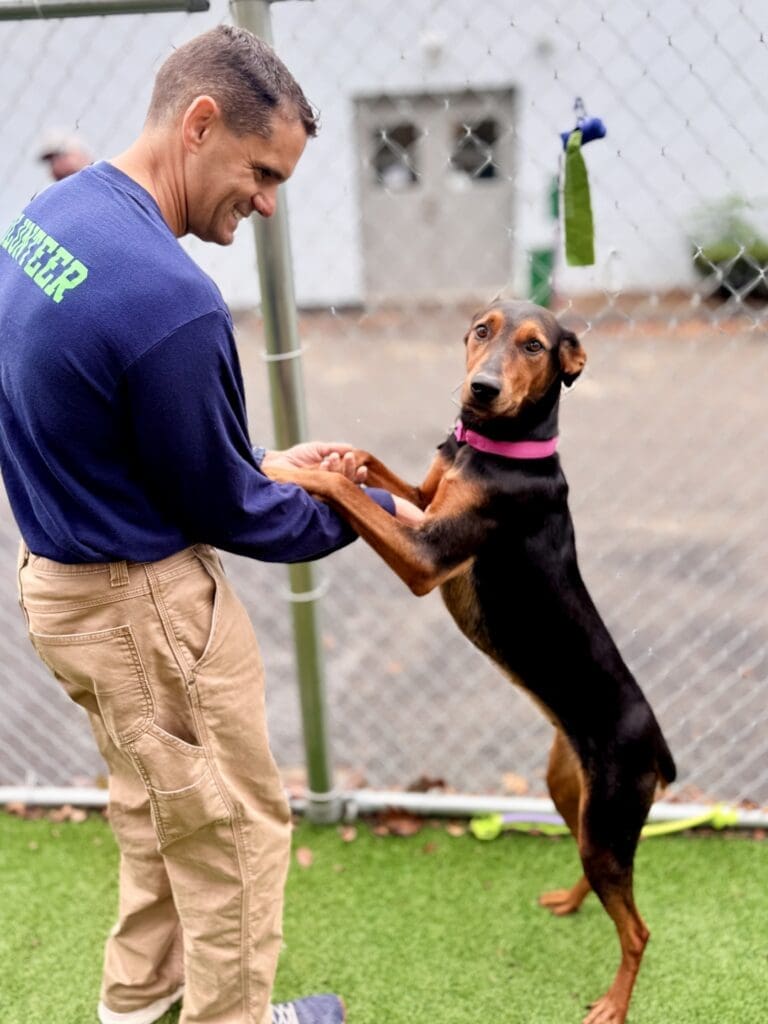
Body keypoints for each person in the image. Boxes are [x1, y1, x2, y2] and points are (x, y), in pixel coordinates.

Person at [0, 26, 422, 1024]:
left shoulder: (43, 222)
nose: (269, 202)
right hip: (145, 608)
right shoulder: (173, 301)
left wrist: (271, 464)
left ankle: (136, 1012)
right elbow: (231, 513)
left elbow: (99, 417)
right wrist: (386, 514)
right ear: (199, 125)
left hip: (63, 587)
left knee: (160, 816)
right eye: (262, 170)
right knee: (232, 834)